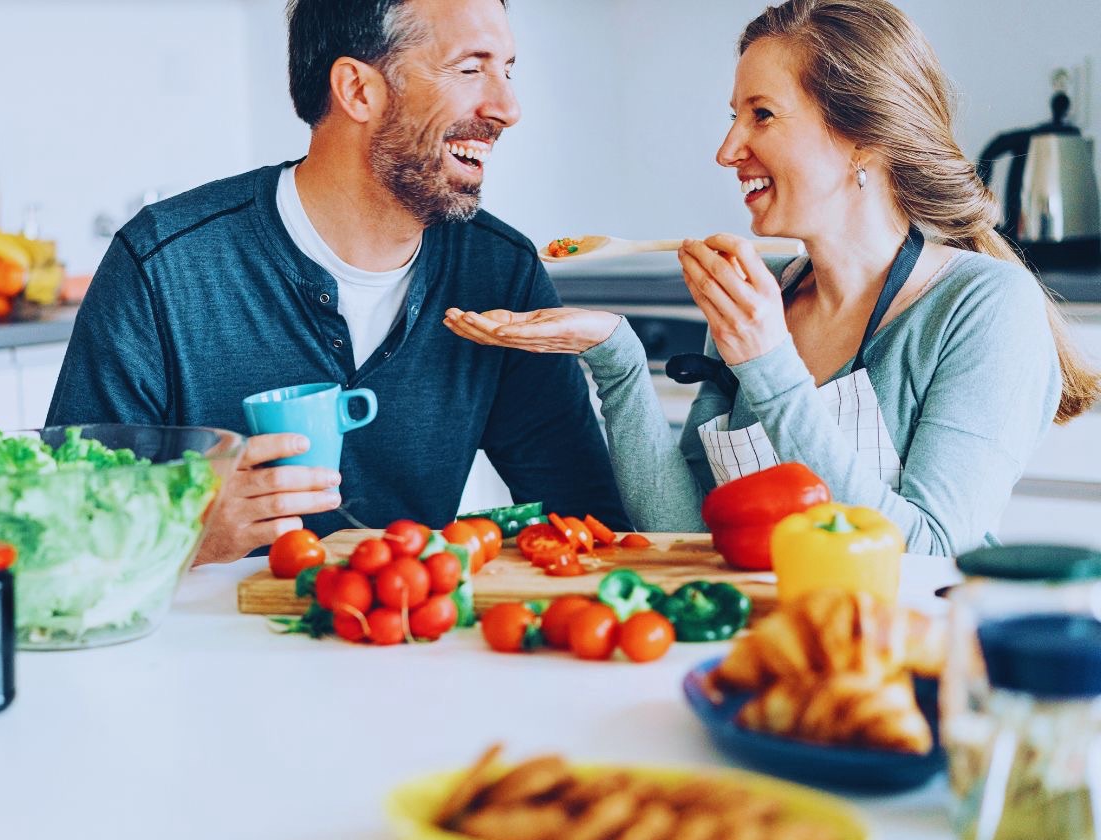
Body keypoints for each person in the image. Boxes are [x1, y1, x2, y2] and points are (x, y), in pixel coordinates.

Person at [445, 0, 1100, 556]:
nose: (728, 149)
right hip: (766, 657)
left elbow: (927, 554)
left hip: (900, 673)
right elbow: (687, 531)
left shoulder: (981, 308)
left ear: (863, 137)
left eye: (761, 115)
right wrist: (614, 356)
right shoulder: (767, 299)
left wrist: (770, 365)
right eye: (733, 116)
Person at [46, 0, 628, 563]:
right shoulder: (163, 267)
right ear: (356, 89)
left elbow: (585, 521)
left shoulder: (498, 271)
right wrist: (184, 534)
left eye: (507, 70)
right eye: (471, 68)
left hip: (406, 641)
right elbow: (60, 531)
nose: (508, 107)